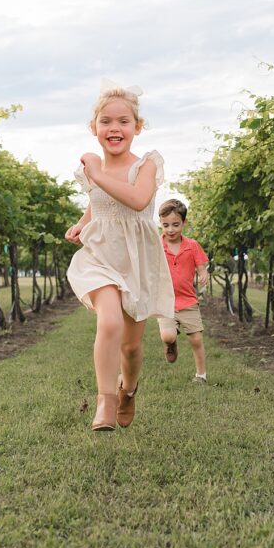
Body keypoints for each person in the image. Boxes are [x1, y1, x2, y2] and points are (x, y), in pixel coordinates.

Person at [65, 81, 174, 432]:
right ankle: (106, 401)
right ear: (94, 128)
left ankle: (129, 390)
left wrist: (96, 173)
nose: (115, 128)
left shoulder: (146, 166)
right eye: (106, 121)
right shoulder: (93, 171)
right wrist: (82, 223)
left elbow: (137, 200)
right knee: (109, 321)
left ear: (137, 127)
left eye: (123, 121)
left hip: (136, 260)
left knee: (130, 346)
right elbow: (100, 205)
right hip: (99, 256)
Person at [157, 199, 209, 382]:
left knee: (196, 339)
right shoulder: (157, 246)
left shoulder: (192, 245)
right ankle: (171, 344)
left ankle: (201, 375)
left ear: (184, 223)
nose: (170, 229)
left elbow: (201, 266)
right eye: (166, 225)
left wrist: (203, 273)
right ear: (160, 224)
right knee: (168, 335)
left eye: (175, 225)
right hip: (165, 301)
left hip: (188, 301)